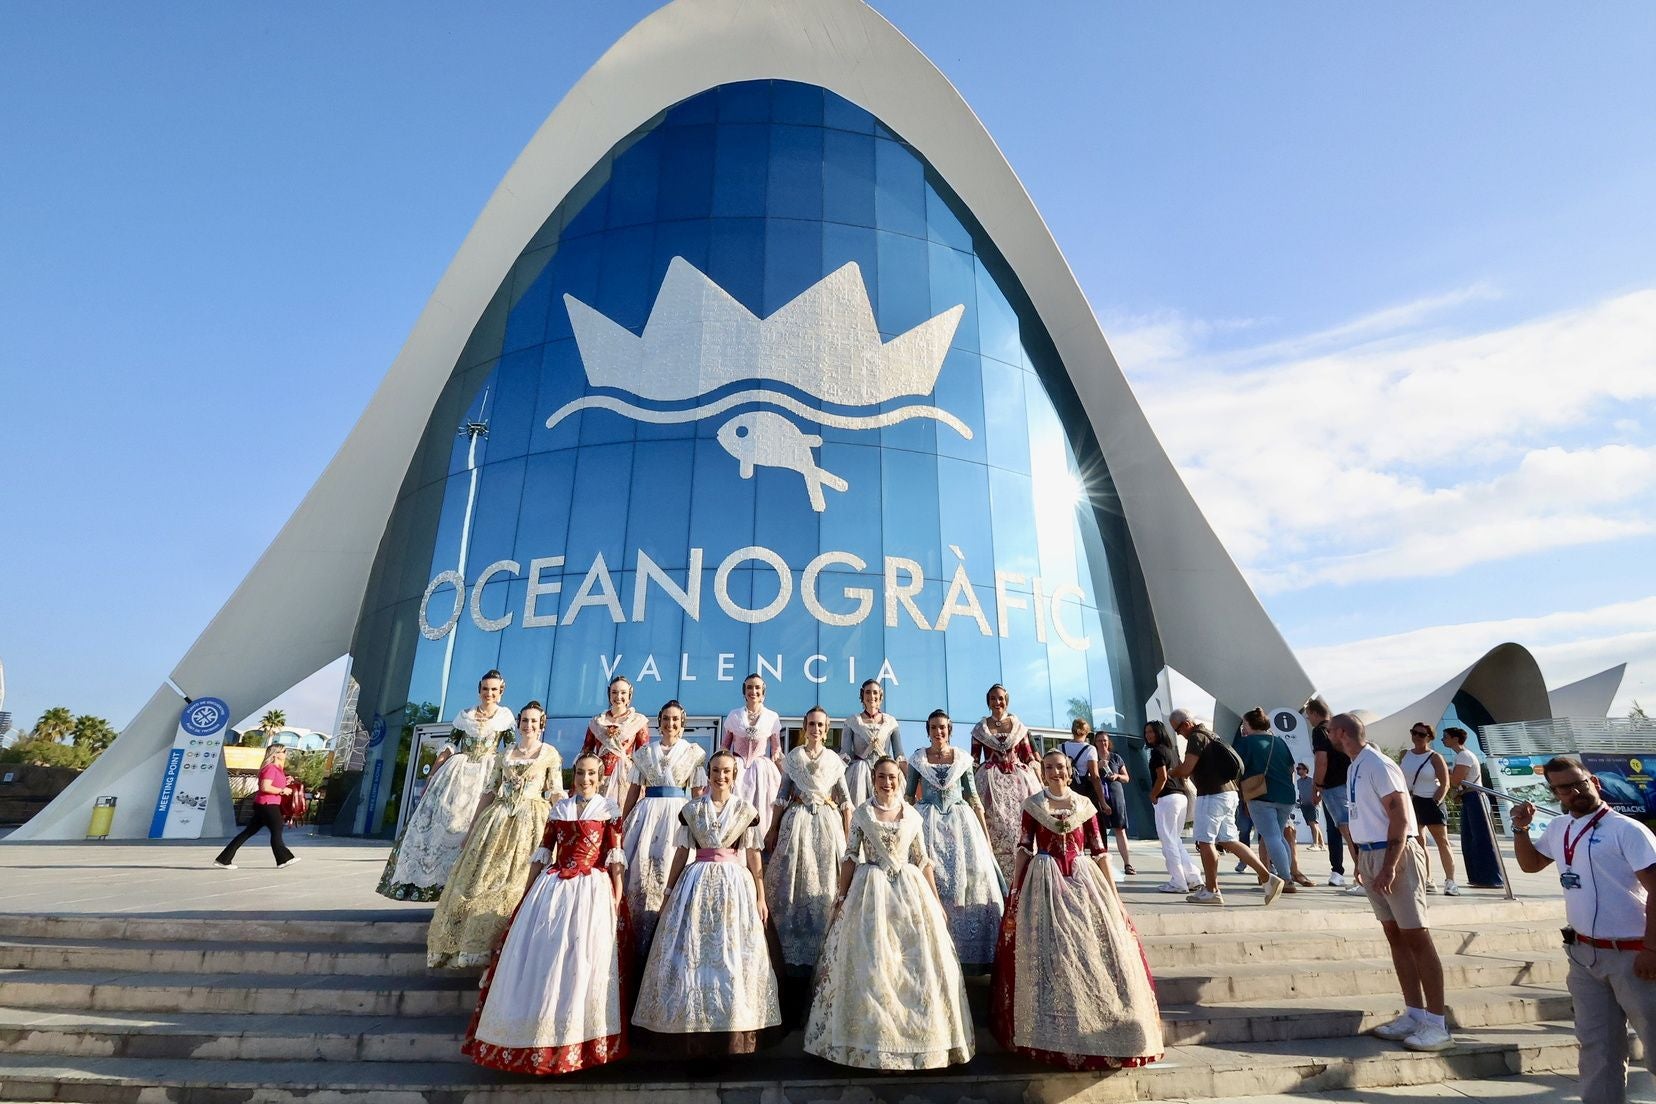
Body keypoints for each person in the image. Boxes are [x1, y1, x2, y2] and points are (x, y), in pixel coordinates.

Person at [990, 749, 1164, 1070]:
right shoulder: (1033, 806)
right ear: (1042, 772)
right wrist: (1015, 890)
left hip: (1083, 881)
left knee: (1091, 949)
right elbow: (1024, 848)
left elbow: (1099, 852)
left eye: (1060, 767)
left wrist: (1113, 896)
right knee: (1055, 951)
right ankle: (1053, 1032)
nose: (1056, 772)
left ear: (1070, 772)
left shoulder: (1085, 806)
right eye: (1049, 768)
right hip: (1045, 882)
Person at [462, 753, 630, 1075]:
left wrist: (617, 899)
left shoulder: (608, 810)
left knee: (581, 961)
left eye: (591, 774)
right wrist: (526, 894)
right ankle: (533, 1038)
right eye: (580, 773)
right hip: (553, 887)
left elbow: (614, 858)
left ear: (600, 777)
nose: (585, 779)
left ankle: (578, 1044)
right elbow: (543, 853)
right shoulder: (560, 809)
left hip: (591, 889)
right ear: (574, 775)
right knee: (545, 959)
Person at [804, 757, 974, 1069]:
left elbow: (922, 860)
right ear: (873, 779)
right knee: (873, 962)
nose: (888, 782)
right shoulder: (861, 813)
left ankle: (922, 1047)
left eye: (893, 777)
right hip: (870, 891)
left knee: (916, 963)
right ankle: (868, 1046)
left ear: (900, 779)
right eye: (882, 776)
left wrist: (936, 902)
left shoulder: (912, 814)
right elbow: (851, 856)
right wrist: (841, 896)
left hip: (910, 893)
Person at [1511, 756, 1656, 1104]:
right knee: (1597, 1050)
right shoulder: (1560, 827)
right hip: (1584, 957)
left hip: (1634, 955)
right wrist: (1520, 829)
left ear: (1594, 781)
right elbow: (1531, 865)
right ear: (1554, 792)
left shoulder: (1627, 830)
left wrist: (1652, 950)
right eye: (1564, 787)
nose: (1574, 791)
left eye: (1579, 783)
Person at [632, 749, 782, 1056]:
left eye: (726, 771)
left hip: (734, 887)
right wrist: (669, 891)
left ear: (734, 775)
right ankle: (690, 1032)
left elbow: (754, 857)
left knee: (731, 954)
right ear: (708, 773)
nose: (721, 775)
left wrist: (761, 895)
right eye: (716, 770)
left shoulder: (745, 810)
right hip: (696, 884)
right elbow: (679, 852)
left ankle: (732, 1032)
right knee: (694, 952)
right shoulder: (692, 809)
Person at [1327, 711, 1452, 1052]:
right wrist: (1361, 860)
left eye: (1328, 731)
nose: (1325, 736)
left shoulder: (1377, 764)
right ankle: (1414, 1012)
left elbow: (1398, 812)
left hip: (1393, 853)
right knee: (1394, 933)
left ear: (1340, 733)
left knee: (1416, 934)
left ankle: (1437, 1022)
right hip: (1371, 854)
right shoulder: (1355, 765)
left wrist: (1390, 864)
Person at [428, 702, 565, 968]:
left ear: (542, 725)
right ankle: (474, 945)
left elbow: (556, 792)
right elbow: (489, 792)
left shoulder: (550, 754)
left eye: (534, 721)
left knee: (519, 880)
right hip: (498, 820)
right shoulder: (505, 754)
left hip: (532, 820)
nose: (529, 725)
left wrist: (562, 827)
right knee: (484, 880)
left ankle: (513, 945)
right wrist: (472, 828)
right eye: (525, 720)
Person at [378, 670, 515, 900]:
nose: (488, 693)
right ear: (479, 690)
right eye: (485, 689)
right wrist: (432, 775)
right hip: (458, 772)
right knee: (443, 822)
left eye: (493, 689)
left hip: (487, 772)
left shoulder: (505, 717)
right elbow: (450, 745)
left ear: (500, 692)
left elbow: (511, 750)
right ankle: (434, 884)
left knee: (474, 823)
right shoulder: (465, 716)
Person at [908, 709, 1004, 973]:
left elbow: (973, 797)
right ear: (927, 730)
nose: (938, 732)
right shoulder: (918, 759)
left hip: (961, 825)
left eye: (943, 728)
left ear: (949, 730)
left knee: (969, 878)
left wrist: (984, 837)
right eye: (934, 728)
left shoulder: (962, 759)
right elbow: (907, 798)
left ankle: (968, 953)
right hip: (926, 822)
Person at [764, 706, 851, 976]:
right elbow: (782, 795)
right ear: (805, 727)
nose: (816, 729)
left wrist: (848, 838)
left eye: (821, 725)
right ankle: (791, 954)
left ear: (826, 730)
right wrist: (772, 827)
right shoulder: (794, 757)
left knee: (825, 881)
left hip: (827, 824)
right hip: (798, 822)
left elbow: (846, 801)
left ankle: (823, 947)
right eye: (811, 724)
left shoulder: (835, 760)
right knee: (793, 882)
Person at [1168, 709, 1282, 906]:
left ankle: (1212, 890)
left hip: (1212, 794)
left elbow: (1187, 769)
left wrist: (1171, 772)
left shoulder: (1196, 737)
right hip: (1229, 793)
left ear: (1186, 724)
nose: (1180, 734)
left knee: (1205, 841)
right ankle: (1268, 878)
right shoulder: (1212, 734)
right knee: (1229, 840)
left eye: (1178, 730)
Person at [620, 699, 707, 954]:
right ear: (659, 723)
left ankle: (667, 935)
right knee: (641, 871)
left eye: (675, 720)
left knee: (671, 865)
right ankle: (637, 938)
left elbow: (698, 794)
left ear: (682, 725)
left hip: (677, 814)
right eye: (666, 719)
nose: (671, 724)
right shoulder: (645, 753)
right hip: (646, 815)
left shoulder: (693, 753)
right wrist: (623, 823)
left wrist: (700, 828)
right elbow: (634, 789)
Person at [971, 683, 1042, 879]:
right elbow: (975, 760)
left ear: (1007, 701)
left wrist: (1038, 775)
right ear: (988, 702)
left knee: (1022, 823)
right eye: (993, 698)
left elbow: (1028, 755)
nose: (997, 702)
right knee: (996, 826)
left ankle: (1026, 871)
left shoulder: (1019, 727)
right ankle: (1000, 876)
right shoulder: (980, 729)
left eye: (1000, 698)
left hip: (1020, 780)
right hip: (990, 781)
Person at [1235, 707, 1298, 894]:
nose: (1243, 728)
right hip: (1286, 795)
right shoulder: (1279, 742)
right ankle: (1288, 875)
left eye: (1244, 724)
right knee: (1277, 836)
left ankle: (1285, 880)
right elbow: (1291, 768)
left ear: (1250, 724)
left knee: (1270, 837)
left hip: (1260, 794)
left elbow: (1237, 767)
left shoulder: (1246, 743)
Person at [213, 744, 299, 869]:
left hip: (266, 804)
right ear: (275, 754)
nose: (286, 753)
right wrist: (282, 790)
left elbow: (273, 783)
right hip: (267, 804)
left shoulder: (277, 769)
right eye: (283, 751)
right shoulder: (270, 768)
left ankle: (224, 859)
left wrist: (286, 781)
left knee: (248, 832)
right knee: (277, 828)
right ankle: (283, 859)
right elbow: (265, 787)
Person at [1307, 696, 1360, 893]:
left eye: (1308, 716)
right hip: (1351, 783)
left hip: (1334, 786)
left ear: (1314, 713)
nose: (1309, 720)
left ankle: (1361, 876)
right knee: (1350, 830)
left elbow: (1321, 760)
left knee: (1346, 830)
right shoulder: (1340, 730)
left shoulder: (1321, 731)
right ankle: (1358, 873)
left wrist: (1317, 786)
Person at [722, 673, 784, 839]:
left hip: (762, 772)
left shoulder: (772, 717)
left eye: (757, 687)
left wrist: (787, 777)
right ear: (744, 691)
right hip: (737, 769)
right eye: (749, 687)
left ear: (763, 692)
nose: (753, 691)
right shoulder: (734, 715)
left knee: (763, 812)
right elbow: (724, 747)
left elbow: (776, 751)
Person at [1399, 722, 1458, 895]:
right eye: (1414, 732)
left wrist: (1436, 801)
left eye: (1421, 735)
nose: (1417, 737)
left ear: (1429, 738)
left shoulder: (1435, 757)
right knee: (1418, 843)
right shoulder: (1405, 754)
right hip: (1412, 801)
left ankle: (1450, 880)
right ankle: (1427, 878)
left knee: (1442, 842)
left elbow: (1445, 783)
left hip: (1430, 800)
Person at [1145, 720, 1203, 894]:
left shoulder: (1157, 752)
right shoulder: (1172, 751)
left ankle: (1178, 881)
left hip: (1167, 798)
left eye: (1152, 732)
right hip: (1180, 797)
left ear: (1159, 733)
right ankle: (1193, 877)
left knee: (1168, 841)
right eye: (1147, 732)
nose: (1148, 735)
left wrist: (1153, 794)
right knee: (1175, 840)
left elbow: (1162, 777)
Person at [1444, 727, 1504, 888]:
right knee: (1471, 838)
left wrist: (1442, 773)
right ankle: (1479, 877)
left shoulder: (1464, 755)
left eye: (1446, 737)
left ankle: (1491, 877)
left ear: (1456, 739)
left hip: (1475, 797)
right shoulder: (1462, 756)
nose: (1443, 740)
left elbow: (1456, 780)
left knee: (1480, 838)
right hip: (1470, 797)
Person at [582, 675, 649, 806]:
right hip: (598, 777)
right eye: (614, 692)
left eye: (623, 692)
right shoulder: (597, 722)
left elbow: (644, 756)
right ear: (609, 694)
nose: (618, 697)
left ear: (629, 694)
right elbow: (586, 752)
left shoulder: (638, 721)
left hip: (625, 778)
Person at [842, 679, 902, 807]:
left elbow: (899, 755)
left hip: (885, 771)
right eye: (868, 692)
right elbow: (845, 755)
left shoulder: (891, 722)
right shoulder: (851, 721)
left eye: (875, 692)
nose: (871, 696)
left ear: (880, 696)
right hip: (859, 774)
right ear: (862, 696)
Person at [1096, 731, 1136, 873]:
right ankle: (1102, 864)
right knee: (1100, 831)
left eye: (1105, 740)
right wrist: (1097, 767)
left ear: (1109, 742)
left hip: (1116, 796)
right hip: (1100, 798)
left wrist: (1117, 776)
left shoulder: (1116, 758)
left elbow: (1127, 778)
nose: (1103, 743)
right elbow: (1087, 778)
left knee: (1120, 829)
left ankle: (1127, 864)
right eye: (1099, 740)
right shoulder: (1092, 758)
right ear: (1095, 743)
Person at [1294, 763, 1325, 849]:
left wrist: (1317, 800)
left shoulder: (1312, 780)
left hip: (1313, 805)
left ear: (1305, 770)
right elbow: (1301, 793)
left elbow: (1322, 791)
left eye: (1299, 768)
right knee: (1314, 825)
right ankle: (1322, 845)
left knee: (1313, 824)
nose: (1298, 770)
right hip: (1304, 805)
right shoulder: (1298, 782)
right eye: (1297, 769)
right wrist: (1300, 801)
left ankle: (1315, 844)